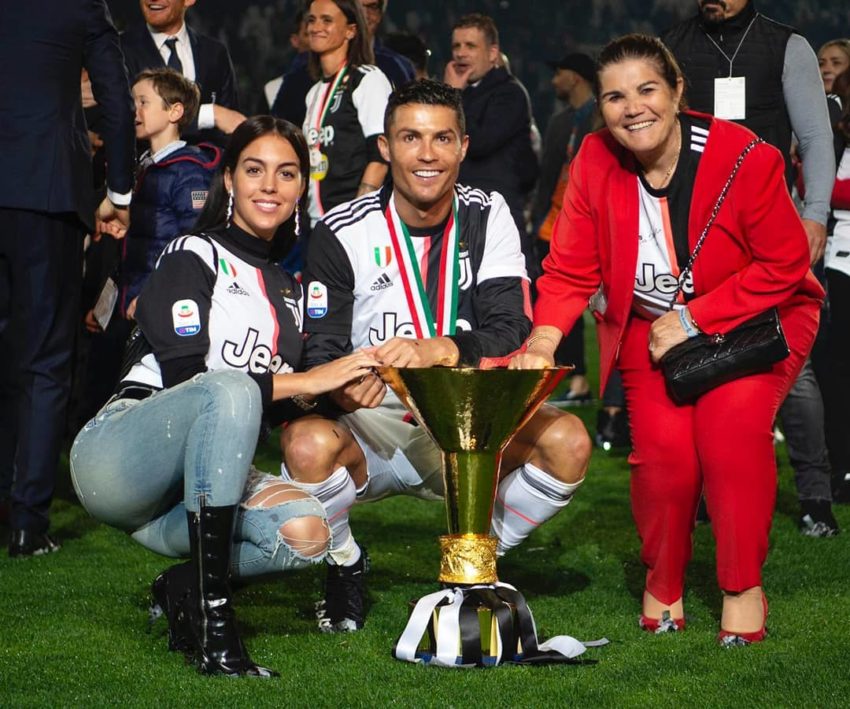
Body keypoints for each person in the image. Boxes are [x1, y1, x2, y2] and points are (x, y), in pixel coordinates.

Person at [512, 35, 823, 645]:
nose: (633, 108)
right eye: (614, 97)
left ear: (678, 91)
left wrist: (695, 317)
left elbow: (785, 263)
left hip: (753, 321)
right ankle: (664, 577)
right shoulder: (593, 159)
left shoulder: (744, 156)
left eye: (647, 89)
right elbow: (571, 269)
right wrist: (543, 342)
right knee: (664, 460)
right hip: (649, 325)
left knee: (729, 437)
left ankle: (741, 585)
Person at [69, 117, 380, 676]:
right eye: (254, 170)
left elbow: (280, 403)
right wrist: (311, 379)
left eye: (287, 174)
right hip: (120, 457)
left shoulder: (288, 288)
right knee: (230, 386)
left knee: (306, 533)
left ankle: (184, 586)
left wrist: (342, 392)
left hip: (194, 493)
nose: (270, 185)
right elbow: (193, 379)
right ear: (230, 179)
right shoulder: (192, 251)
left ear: (300, 189)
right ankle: (217, 630)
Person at [283, 79, 591, 633]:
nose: (427, 154)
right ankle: (345, 564)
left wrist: (441, 349)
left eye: (442, 138)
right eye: (410, 138)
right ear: (385, 147)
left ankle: (476, 558)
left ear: (463, 146)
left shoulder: (488, 212)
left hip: (467, 415)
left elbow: (511, 325)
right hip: (375, 420)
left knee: (568, 442)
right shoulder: (341, 230)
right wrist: (345, 387)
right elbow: (323, 348)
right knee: (305, 446)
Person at [663, 0, 839, 537]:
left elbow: (816, 137)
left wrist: (815, 215)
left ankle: (815, 496)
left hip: (771, 225)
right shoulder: (674, 44)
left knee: (791, 361)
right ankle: (702, 491)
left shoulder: (787, 46)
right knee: (695, 352)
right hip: (694, 225)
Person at [0, 0, 135, 557]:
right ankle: (27, 523)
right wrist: (120, 192)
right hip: (46, 192)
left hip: (41, 188)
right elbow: (116, 100)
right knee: (46, 359)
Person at [82, 68, 222, 419]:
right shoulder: (144, 164)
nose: (135, 110)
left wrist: (153, 295)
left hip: (158, 309)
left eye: (143, 102)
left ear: (175, 112)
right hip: (129, 302)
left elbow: (193, 245)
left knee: (143, 404)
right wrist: (108, 303)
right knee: (101, 391)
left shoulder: (190, 172)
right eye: (132, 102)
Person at [533, 53, 598, 407]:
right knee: (560, 305)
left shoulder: (601, 117)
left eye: (559, 73)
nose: (554, 80)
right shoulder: (560, 121)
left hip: (590, 224)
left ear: (575, 77)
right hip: (555, 224)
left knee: (606, 310)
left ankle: (605, 393)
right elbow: (547, 176)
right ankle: (576, 380)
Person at [443, 14, 538, 258]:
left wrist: (454, 94)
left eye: (470, 46)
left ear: (493, 53)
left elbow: (480, 142)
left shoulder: (510, 93)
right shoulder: (461, 92)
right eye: (456, 46)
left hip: (498, 209)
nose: (461, 53)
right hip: (458, 207)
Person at [303, 0, 392, 226]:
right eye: (312, 20)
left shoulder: (367, 79)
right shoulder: (313, 93)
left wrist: (358, 217)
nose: (316, 27)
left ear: (351, 31)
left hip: (353, 219)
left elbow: (381, 155)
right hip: (317, 222)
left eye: (327, 20)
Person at [119, 0, 245, 143]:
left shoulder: (214, 53)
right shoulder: (118, 51)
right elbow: (120, 121)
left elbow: (230, 125)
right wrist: (208, 115)